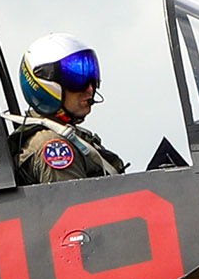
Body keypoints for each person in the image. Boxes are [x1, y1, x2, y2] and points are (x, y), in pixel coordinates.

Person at [9, 35, 124, 184]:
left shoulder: (70, 135)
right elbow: (74, 198)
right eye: (77, 80)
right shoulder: (54, 146)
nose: (90, 89)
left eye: (91, 77)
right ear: (47, 84)